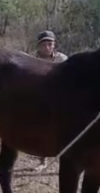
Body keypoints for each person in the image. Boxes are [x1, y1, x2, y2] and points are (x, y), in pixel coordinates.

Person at [31, 31, 68, 171]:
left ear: (54, 45)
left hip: (61, 100)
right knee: (42, 130)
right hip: (41, 100)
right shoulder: (32, 60)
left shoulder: (63, 59)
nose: (47, 47)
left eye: (50, 44)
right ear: (38, 46)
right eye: (44, 44)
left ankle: (66, 160)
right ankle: (42, 161)